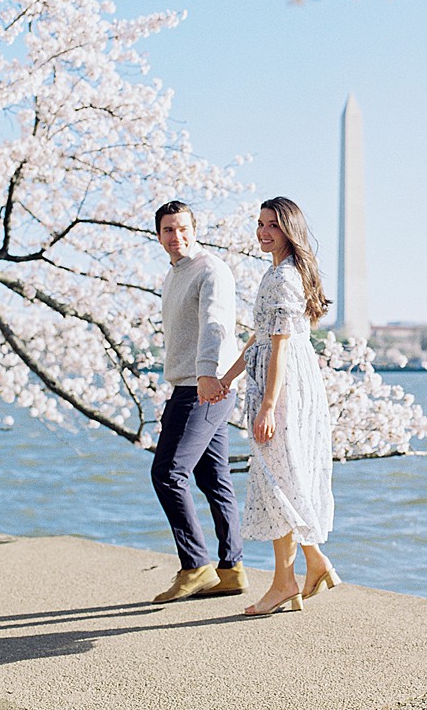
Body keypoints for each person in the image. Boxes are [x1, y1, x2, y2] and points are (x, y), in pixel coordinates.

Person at [220, 196, 340, 616]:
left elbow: (281, 347)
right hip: (281, 380)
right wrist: (228, 377)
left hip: (285, 386)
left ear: (290, 231)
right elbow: (259, 336)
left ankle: (285, 581)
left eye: (272, 225)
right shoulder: (276, 274)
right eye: (260, 223)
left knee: (276, 480)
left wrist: (269, 405)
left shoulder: (285, 279)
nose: (263, 232)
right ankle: (312, 565)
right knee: (281, 478)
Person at [150, 200, 248, 603]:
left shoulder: (211, 270)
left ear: (196, 229)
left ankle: (195, 566)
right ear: (158, 236)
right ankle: (232, 569)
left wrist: (208, 374)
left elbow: (215, 323)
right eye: (169, 230)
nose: (177, 237)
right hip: (189, 383)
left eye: (183, 228)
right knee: (213, 478)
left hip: (204, 385)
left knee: (168, 473)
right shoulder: (173, 275)